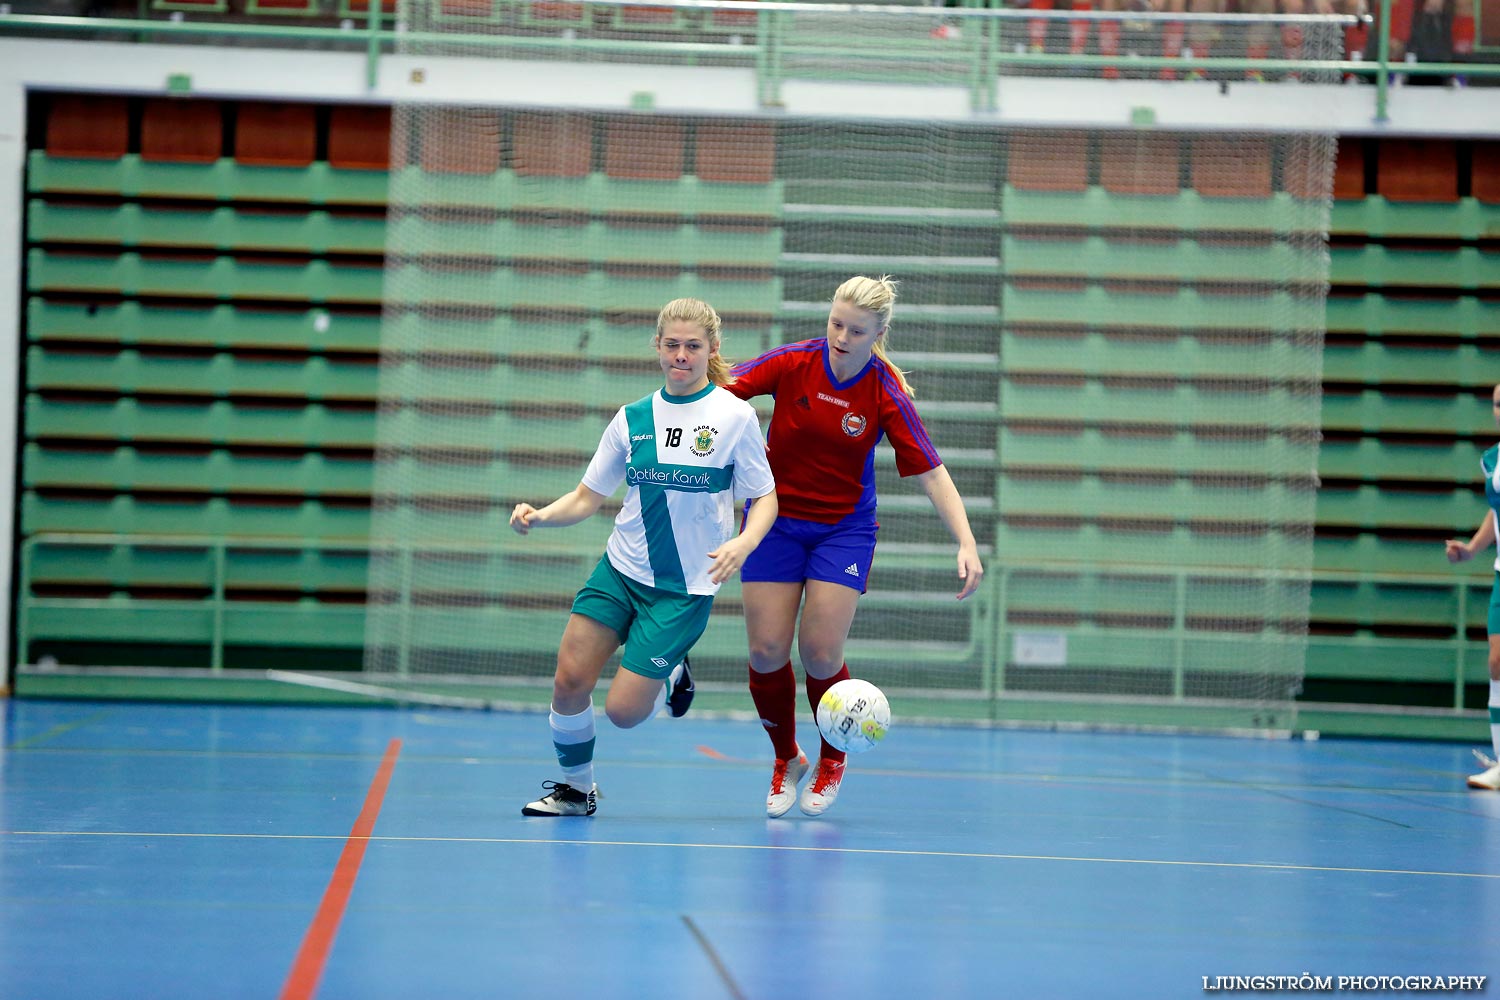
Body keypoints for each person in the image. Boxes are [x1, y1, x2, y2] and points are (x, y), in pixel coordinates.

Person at [725, 275, 985, 818]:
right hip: (773, 519)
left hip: (842, 530)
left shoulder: (883, 391)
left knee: (820, 650)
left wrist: (966, 540)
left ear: (879, 333)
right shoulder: (793, 362)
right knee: (766, 650)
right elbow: (717, 393)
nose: (842, 336)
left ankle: (833, 756)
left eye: (857, 329)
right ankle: (784, 758)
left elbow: (933, 474)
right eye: (836, 323)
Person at [509, 298, 778, 817]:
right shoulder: (632, 418)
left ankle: (672, 670)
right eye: (672, 345)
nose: (681, 356)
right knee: (569, 680)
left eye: (693, 347)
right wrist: (540, 515)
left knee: (624, 713)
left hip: (683, 590)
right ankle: (575, 790)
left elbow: (764, 497)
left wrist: (744, 543)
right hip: (621, 570)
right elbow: (588, 497)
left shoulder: (735, 417)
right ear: (657, 347)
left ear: (711, 350)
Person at [1444, 381, 1500, 791]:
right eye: (1498, 404)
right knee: (1497, 663)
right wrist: (1472, 550)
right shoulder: (1492, 461)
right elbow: (1495, 512)